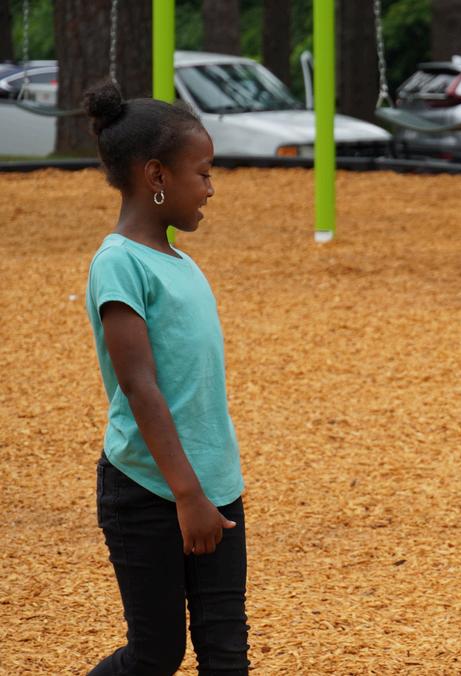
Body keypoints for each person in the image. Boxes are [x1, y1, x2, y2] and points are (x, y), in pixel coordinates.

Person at [82, 82, 250, 675]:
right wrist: (186, 495)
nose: (210, 188)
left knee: (226, 655)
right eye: (202, 174)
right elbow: (140, 386)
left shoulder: (181, 262)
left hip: (216, 485)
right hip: (149, 491)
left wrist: (208, 489)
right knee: (155, 655)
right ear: (156, 175)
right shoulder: (119, 264)